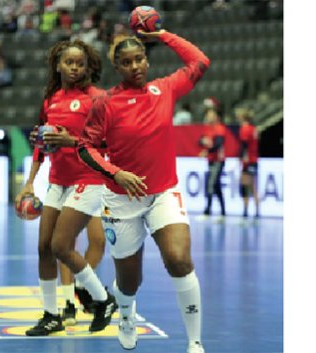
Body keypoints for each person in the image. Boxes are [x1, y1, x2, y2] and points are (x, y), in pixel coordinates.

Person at [75, 29, 209, 353]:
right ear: (117, 68)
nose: (134, 66)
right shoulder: (106, 103)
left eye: (139, 60)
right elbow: (84, 147)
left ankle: (194, 341)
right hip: (120, 200)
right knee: (130, 280)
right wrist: (115, 173)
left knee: (178, 259)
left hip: (163, 192)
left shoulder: (164, 89)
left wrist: (162, 34)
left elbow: (200, 61)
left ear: (146, 61)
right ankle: (126, 314)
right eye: (126, 62)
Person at [14, 39, 110, 336]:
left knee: (61, 246)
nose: (74, 67)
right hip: (57, 180)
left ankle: (103, 300)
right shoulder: (52, 99)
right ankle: (51, 314)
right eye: (69, 62)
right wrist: (30, 181)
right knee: (44, 247)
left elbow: (109, 143)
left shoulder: (98, 98)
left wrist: (71, 142)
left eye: (80, 63)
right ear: (58, 65)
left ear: (88, 67)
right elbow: (42, 148)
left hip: (88, 180)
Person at [199, 108, 226, 218]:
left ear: (216, 116)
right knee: (216, 186)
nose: (209, 117)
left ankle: (207, 211)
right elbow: (200, 140)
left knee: (211, 184)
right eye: (208, 115)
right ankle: (223, 212)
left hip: (218, 161)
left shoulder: (219, 128)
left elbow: (219, 144)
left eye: (211, 115)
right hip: (211, 160)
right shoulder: (208, 129)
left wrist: (207, 151)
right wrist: (202, 142)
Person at [237, 108, 260, 218]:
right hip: (254, 160)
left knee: (245, 186)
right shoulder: (254, 128)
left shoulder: (244, 128)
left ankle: (245, 212)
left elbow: (244, 144)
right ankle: (257, 212)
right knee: (253, 186)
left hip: (248, 161)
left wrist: (243, 157)